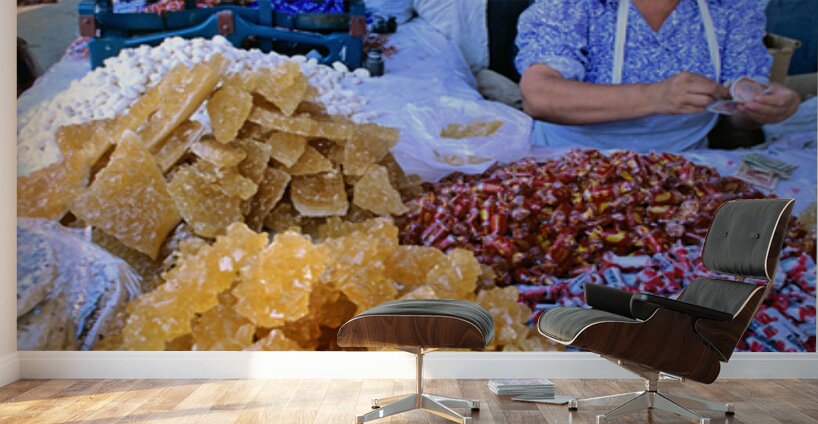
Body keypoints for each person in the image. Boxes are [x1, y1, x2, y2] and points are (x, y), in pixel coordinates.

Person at [515, 0, 801, 151]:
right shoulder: (572, 5)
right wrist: (655, 96)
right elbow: (539, 97)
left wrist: (763, 107)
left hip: (683, 164)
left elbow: (738, 117)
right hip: (571, 163)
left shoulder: (732, 7)